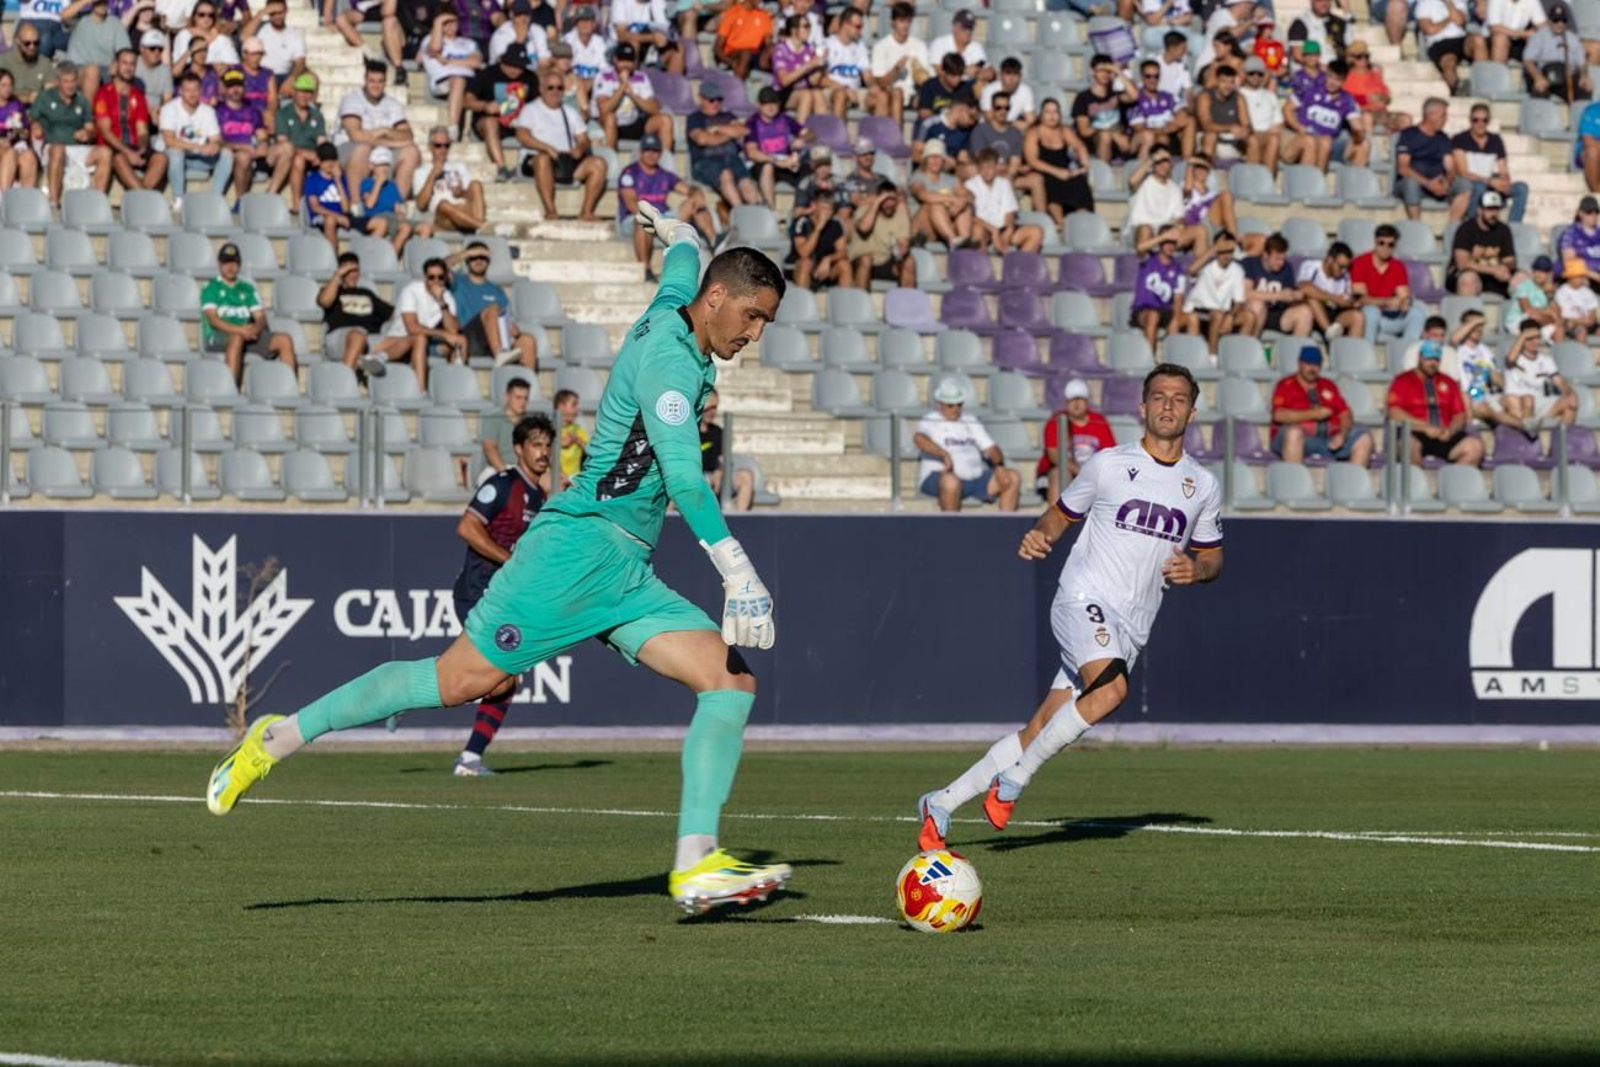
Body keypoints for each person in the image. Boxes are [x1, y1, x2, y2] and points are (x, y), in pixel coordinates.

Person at [206, 211, 794, 918]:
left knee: (730, 680)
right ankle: (277, 736)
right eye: (753, 316)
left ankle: (696, 864)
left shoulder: (679, 303)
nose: (755, 333)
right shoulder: (670, 361)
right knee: (456, 681)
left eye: (766, 322)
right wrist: (737, 570)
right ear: (718, 298)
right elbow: (687, 481)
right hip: (575, 552)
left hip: (627, 571)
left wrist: (679, 232)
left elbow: (682, 262)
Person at [916, 363, 1222, 851]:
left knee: (1039, 728)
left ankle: (940, 803)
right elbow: (1060, 514)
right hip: (1083, 599)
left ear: (1192, 411)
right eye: (1159, 397)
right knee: (1112, 691)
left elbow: (1212, 556)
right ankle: (1014, 782)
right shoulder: (1109, 464)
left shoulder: (1201, 484)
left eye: (1179, 398)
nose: (1168, 405)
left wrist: (1198, 569)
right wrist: (1041, 534)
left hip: (1131, 627)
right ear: (1142, 407)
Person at [436, 413, 554, 775]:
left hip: (504, 600)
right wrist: (510, 561)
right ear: (518, 449)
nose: (543, 452)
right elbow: (467, 527)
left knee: (502, 678)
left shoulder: (540, 495)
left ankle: (468, 756)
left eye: (547, 445)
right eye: (535, 444)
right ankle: (468, 757)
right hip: (478, 594)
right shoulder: (503, 485)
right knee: (501, 676)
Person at [914, 376, 1021, 512]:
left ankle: (1006, 522)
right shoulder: (930, 420)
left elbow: (991, 447)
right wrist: (944, 454)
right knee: (950, 482)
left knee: (1012, 477)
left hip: (975, 477)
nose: (955, 409)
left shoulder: (970, 420)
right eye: (950, 405)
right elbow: (919, 439)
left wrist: (999, 466)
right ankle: (951, 524)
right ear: (940, 404)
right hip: (940, 476)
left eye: (959, 404)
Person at [618, 133, 714, 281]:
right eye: (647, 150)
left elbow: (687, 189)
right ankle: (646, 269)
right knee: (642, 221)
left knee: (693, 203)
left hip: (662, 217)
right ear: (641, 152)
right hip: (635, 219)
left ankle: (715, 242)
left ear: (660, 153)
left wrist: (696, 193)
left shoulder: (664, 174)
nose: (651, 154)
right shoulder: (630, 173)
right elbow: (631, 204)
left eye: (655, 150)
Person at [514, 72, 606, 221]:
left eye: (559, 88)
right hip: (537, 159)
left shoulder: (570, 112)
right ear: (541, 89)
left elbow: (584, 139)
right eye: (550, 87)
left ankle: (586, 212)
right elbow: (522, 135)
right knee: (543, 159)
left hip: (565, 160)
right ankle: (550, 211)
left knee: (599, 163)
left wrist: (580, 148)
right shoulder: (530, 109)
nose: (555, 91)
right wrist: (546, 148)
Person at [201, 241, 296, 384]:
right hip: (218, 335)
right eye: (226, 263)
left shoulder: (247, 288)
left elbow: (260, 317)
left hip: (247, 334)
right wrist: (240, 330)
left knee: (284, 340)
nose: (230, 267)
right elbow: (213, 320)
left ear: (239, 264)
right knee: (236, 338)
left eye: (234, 263)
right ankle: (231, 388)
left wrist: (255, 329)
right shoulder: (211, 288)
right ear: (219, 264)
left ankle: (289, 386)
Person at [335, 61, 420, 207]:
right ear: (365, 80)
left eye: (380, 81)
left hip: (381, 151)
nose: (376, 86)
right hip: (349, 149)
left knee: (411, 151)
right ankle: (357, 204)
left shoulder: (392, 103)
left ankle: (396, 204)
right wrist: (391, 141)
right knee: (362, 148)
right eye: (372, 81)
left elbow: (407, 135)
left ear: (385, 82)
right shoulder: (352, 100)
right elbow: (356, 135)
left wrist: (385, 130)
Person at [1270, 346, 1374, 466]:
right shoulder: (1285, 385)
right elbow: (1278, 415)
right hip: (1298, 438)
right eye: (1308, 364)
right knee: (1294, 433)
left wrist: (1342, 435)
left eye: (1316, 365)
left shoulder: (1328, 385)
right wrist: (1314, 414)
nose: (1312, 369)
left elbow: (1345, 414)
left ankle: (1354, 477)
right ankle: (1294, 476)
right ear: (1299, 364)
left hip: (1328, 439)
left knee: (1363, 437)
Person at [1387, 341, 1484, 466]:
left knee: (1475, 447)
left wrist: (1451, 431)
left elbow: (1459, 415)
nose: (1432, 363)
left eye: (1436, 359)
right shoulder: (1402, 381)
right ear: (1420, 358)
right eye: (1428, 359)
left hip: (1444, 434)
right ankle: (1417, 478)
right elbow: (1394, 413)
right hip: (1416, 432)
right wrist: (1425, 427)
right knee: (1408, 445)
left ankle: (1451, 478)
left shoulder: (1449, 382)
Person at [33, 60, 113, 206]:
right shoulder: (45, 97)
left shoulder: (82, 100)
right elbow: (32, 119)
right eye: (66, 81)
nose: (70, 85)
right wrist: (36, 127)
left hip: (77, 147)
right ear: (58, 82)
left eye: (73, 81)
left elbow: (91, 128)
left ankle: (97, 202)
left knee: (105, 152)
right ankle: (53, 200)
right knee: (58, 149)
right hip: (53, 146)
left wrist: (87, 133)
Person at [318, 251, 406, 379]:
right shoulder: (334, 291)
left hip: (368, 339)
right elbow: (325, 301)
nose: (353, 274)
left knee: (408, 340)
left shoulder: (366, 293)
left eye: (356, 270)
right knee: (358, 334)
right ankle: (344, 383)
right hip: (340, 338)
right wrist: (337, 276)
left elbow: (393, 313)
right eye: (349, 271)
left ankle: (366, 361)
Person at [452, 240, 538, 369]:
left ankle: (525, 379)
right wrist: (465, 253)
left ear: (489, 261)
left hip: (494, 339)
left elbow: (506, 317)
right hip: (468, 338)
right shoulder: (457, 282)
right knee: (492, 310)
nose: (478, 260)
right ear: (467, 260)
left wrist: (512, 328)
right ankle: (499, 355)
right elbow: (436, 268)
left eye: (483, 257)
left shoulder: (497, 291)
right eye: (474, 257)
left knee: (528, 340)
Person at [91, 46, 166, 191]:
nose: (128, 68)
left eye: (132, 64)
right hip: (113, 147)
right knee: (119, 159)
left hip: (134, 146)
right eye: (124, 63)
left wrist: (142, 147)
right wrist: (128, 152)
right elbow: (105, 131)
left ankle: (140, 195)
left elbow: (142, 130)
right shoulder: (103, 93)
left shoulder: (138, 95)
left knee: (161, 158)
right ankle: (144, 197)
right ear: (116, 65)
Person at [466, 44, 540, 182]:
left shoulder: (530, 78)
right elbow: (466, 100)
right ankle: (501, 168)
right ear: (503, 61)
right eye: (512, 65)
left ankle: (531, 166)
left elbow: (538, 104)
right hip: (491, 123)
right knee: (489, 123)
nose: (515, 70)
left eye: (519, 67)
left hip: (520, 124)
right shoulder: (487, 74)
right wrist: (485, 106)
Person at [217, 67, 292, 202]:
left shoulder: (252, 110)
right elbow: (215, 141)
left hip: (254, 152)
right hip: (233, 153)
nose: (235, 90)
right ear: (225, 89)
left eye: (239, 86)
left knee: (287, 147)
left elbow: (261, 134)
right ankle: (240, 201)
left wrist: (263, 143)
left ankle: (270, 194)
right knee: (243, 156)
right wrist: (241, 146)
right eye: (231, 86)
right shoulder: (217, 110)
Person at [1038, 377, 1116, 502]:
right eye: (1072, 400)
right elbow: (1054, 455)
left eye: (1080, 399)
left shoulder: (1099, 421)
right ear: (1066, 402)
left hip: (1091, 472)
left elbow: (1109, 453)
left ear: (1087, 401)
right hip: (1061, 470)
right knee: (1060, 475)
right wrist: (1079, 471)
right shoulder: (1056, 421)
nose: (1076, 404)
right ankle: (1056, 513)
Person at [686, 80, 759, 211]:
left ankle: (757, 213)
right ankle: (740, 212)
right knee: (726, 175)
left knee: (746, 182)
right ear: (701, 99)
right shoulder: (694, 119)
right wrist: (729, 133)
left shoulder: (728, 115)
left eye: (719, 99)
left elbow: (744, 130)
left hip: (732, 159)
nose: (716, 103)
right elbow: (702, 139)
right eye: (711, 100)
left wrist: (717, 129)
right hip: (706, 162)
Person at [1282, 58, 1365, 171]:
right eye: (1330, 77)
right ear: (1326, 75)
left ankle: (1349, 179)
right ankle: (1311, 177)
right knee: (1312, 141)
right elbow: (1287, 109)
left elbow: (1357, 126)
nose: (1332, 82)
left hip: (1329, 143)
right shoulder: (1310, 89)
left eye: (1337, 79)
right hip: (1303, 136)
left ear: (1343, 81)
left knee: (1363, 144)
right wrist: (1297, 127)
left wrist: (1358, 134)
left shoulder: (1347, 99)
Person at [1351, 224, 1425, 349]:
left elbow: (1403, 295)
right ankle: (1367, 351)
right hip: (1369, 315)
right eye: (1381, 243)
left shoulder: (1398, 266)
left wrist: (1404, 303)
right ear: (1375, 242)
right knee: (1371, 312)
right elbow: (1360, 299)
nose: (1385, 247)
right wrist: (1386, 301)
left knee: (1416, 315)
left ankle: (1406, 353)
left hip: (1389, 315)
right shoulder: (1360, 263)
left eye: (1390, 245)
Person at [1451, 105, 1529, 223]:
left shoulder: (1495, 140)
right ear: (1470, 120)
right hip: (1472, 183)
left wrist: (1504, 182)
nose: (1480, 124)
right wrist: (1489, 181)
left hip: (1490, 182)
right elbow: (1464, 172)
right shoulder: (1460, 139)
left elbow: (1503, 169)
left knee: (1521, 188)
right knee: (1479, 187)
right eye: (1476, 120)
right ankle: (1473, 222)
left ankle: (1514, 225)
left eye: (1484, 120)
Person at [970, 89, 1043, 213]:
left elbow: (1015, 162)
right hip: (987, 174)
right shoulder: (980, 130)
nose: (1002, 111)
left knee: (1036, 179)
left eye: (1006, 107)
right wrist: (1006, 169)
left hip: (1007, 175)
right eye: (998, 107)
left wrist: (1009, 175)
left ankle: (1042, 217)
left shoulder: (1015, 133)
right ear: (992, 109)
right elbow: (983, 161)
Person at [1395, 99, 1469, 221]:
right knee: (1410, 184)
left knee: (1464, 185)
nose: (1446, 119)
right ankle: (1416, 224)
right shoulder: (1408, 135)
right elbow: (1403, 168)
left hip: (1438, 183)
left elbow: (1450, 167)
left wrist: (1446, 182)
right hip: (1416, 182)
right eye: (1443, 115)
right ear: (1431, 115)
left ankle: (1452, 225)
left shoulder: (1443, 138)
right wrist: (1428, 184)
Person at [160, 69, 231, 197]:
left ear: (201, 91)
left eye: (195, 90)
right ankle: (178, 199)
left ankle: (216, 197)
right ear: (180, 91)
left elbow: (216, 138)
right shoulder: (169, 109)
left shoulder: (208, 111)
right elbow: (169, 141)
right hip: (175, 159)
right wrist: (199, 147)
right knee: (176, 153)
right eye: (187, 90)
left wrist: (215, 145)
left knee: (227, 154)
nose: (192, 94)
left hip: (200, 158)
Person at [1023, 97, 1093, 223]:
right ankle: (1060, 222)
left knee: (1079, 182)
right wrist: (1056, 172)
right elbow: (1032, 160)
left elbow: (1080, 147)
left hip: (1064, 170)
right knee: (1050, 182)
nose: (1052, 116)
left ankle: (1083, 219)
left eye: (1055, 112)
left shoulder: (1064, 130)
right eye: (1048, 112)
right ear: (1041, 114)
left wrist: (1084, 166)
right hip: (1044, 171)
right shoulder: (1033, 133)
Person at [1453, 310, 1525, 431]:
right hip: (1466, 398)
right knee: (1485, 408)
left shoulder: (1484, 350)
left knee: (1512, 400)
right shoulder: (1456, 347)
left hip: (1484, 395)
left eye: (1481, 325)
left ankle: (1516, 432)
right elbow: (1455, 338)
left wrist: (1512, 388)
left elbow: (1496, 377)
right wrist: (1479, 320)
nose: (1478, 328)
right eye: (1474, 324)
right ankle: (1523, 425)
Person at [964, 148, 1041, 254]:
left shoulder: (1004, 183)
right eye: (983, 168)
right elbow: (971, 216)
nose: (987, 171)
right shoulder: (970, 185)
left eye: (990, 167)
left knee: (1036, 232)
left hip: (1002, 227)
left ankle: (1018, 262)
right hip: (985, 228)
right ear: (978, 168)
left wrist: (1009, 228)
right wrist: (993, 231)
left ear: (996, 167)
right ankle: (983, 262)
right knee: (977, 230)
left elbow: (1009, 211)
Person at [1503, 323, 1578, 430]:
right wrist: (1523, 335)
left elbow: (1559, 381)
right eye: (1529, 338)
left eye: (1537, 338)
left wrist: (1570, 394)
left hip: (1539, 402)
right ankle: (1527, 436)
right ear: (1521, 339)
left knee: (1571, 402)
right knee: (1528, 399)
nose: (1534, 342)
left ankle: (1562, 438)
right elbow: (1510, 359)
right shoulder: (1514, 356)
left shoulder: (1546, 360)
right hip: (1518, 403)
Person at [418, 11, 482, 133]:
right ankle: (453, 128)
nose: (450, 26)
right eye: (445, 23)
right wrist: (438, 22)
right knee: (458, 80)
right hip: (443, 82)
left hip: (470, 81)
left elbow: (476, 62)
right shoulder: (429, 40)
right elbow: (434, 49)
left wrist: (448, 61)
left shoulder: (468, 43)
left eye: (453, 22)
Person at [744, 85, 807, 208]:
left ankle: (801, 209)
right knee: (767, 168)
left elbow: (808, 133)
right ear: (759, 105)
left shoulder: (785, 119)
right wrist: (776, 162)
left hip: (785, 162)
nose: (771, 107)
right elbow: (752, 153)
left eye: (774, 103)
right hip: (762, 163)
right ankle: (771, 210)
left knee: (808, 168)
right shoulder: (752, 123)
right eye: (766, 103)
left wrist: (802, 140)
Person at [1131, 226, 1196, 348]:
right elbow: (1139, 248)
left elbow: (1178, 297)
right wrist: (1164, 236)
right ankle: (1150, 357)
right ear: (1160, 242)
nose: (1170, 246)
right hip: (1143, 310)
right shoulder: (1148, 259)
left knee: (1192, 318)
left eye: (1173, 242)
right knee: (1153, 315)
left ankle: (1187, 356)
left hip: (1165, 311)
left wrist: (1175, 319)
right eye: (1167, 242)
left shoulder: (1178, 268)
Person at [1239, 232, 1312, 337]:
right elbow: (1246, 293)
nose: (1280, 263)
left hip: (1276, 312)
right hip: (1252, 312)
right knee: (1257, 305)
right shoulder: (1249, 264)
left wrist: (1294, 296)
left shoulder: (1286, 268)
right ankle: (1252, 344)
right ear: (1265, 255)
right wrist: (1278, 295)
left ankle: (1296, 346)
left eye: (1283, 259)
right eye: (1277, 259)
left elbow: (1288, 296)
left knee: (1305, 312)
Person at [1183, 232, 1246, 352]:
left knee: (1249, 317)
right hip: (1199, 308)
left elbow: (1239, 301)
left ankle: (1240, 353)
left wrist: (1230, 316)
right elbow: (1191, 270)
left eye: (1229, 251)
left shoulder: (1237, 270)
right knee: (1217, 315)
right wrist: (1214, 248)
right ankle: (1213, 356)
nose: (1226, 255)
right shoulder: (1206, 264)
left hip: (1222, 312)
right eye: (1222, 251)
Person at [1127, 148, 1198, 251]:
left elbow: (1178, 217)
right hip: (1140, 229)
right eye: (1158, 161)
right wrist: (1153, 158)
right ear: (1153, 165)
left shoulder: (1175, 189)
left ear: (1171, 165)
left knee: (1198, 231)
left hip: (1165, 231)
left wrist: (1179, 226)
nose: (1162, 165)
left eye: (1165, 161)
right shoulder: (1143, 181)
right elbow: (1131, 181)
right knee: (1146, 229)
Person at [1447, 191, 1516, 297]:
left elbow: (1509, 259)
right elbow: (1462, 263)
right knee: (1468, 281)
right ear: (1479, 210)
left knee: (1522, 280)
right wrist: (1493, 270)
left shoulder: (1503, 230)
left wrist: (1506, 267)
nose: (1494, 214)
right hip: (1469, 274)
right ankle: (1467, 308)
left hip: (1495, 278)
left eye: (1496, 209)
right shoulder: (1465, 229)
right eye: (1489, 209)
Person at [849, 179, 915, 288]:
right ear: (877, 199)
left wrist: (902, 249)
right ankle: (860, 297)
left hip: (884, 260)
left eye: (892, 199)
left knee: (909, 261)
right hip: (860, 261)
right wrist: (876, 203)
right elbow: (864, 228)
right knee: (866, 260)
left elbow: (903, 241)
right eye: (885, 199)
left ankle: (906, 297)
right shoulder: (864, 210)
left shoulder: (899, 216)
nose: (889, 204)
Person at [1128, 57, 1195, 162]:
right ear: (1142, 77)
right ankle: (1142, 167)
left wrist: (1177, 120)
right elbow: (1139, 129)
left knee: (1190, 120)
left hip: (1167, 131)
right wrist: (1164, 130)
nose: (1152, 80)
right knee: (1158, 137)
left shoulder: (1167, 96)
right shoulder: (1136, 99)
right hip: (1145, 138)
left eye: (1156, 76)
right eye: (1148, 76)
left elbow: (1183, 112)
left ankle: (1187, 162)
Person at [1072, 52, 1134, 162]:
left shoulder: (1115, 94)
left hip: (1118, 142)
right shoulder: (1083, 98)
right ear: (1092, 72)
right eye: (1101, 70)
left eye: (1108, 71)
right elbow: (1084, 130)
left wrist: (1118, 72)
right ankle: (1103, 168)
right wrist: (1109, 131)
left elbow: (1134, 96)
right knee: (1105, 135)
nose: (1105, 74)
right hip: (1095, 143)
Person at [822, 6, 881, 119]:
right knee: (841, 96)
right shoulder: (827, 44)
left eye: (862, 26)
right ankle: (838, 130)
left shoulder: (860, 46)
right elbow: (821, 79)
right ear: (845, 24)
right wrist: (844, 89)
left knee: (880, 97)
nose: (861, 30)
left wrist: (873, 86)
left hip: (855, 90)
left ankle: (878, 130)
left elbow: (867, 75)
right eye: (858, 26)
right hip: (832, 89)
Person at [1297, 241, 1364, 341]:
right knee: (1311, 297)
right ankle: (1329, 332)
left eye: (1346, 267)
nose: (1343, 270)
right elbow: (1305, 288)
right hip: (1313, 313)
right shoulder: (1311, 266)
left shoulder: (1345, 276)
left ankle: (1351, 348)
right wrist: (1334, 298)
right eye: (1341, 266)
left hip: (1334, 313)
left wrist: (1350, 302)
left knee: (1358, 317)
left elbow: (1345, 297)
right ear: (1330, 259)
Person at [699, 390, 754, 511]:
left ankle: (740, 518)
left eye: (715, 407)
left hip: (716, 477)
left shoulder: (718, 432)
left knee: (746, 476)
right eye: (709, 407)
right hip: (695, 477)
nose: (712, 412)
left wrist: (719, 471)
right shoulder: (689, 432)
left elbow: (722, 459)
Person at [1524, 4, 1592, 101]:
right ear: (1549, 22)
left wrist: (1584, 76)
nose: (1560, 24)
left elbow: (1582, 63)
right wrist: (1538, 77)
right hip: (1545, 78)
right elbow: (1528, 60)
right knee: (1539, 89)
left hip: (1566, 78)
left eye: (1563, 20)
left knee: (1585, 88)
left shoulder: (1573, 38)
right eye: (1555, 20)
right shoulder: (1539, 36)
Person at [67, 0, 131, 100]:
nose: (102, 5)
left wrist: (117, 62)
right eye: (98, 2)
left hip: (106, 69)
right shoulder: (81, 18)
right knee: (92, 70)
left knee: (126, 70)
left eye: (104, 2)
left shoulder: (114, 23)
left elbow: (125, 51)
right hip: (77, 67)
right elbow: (64, 16)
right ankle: (88, 110)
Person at [786, 185, 848, 290]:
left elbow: (843, 252)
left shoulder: (835, 224)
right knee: (806, 263)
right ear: (814, 206)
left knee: (844, 264)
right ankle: (802, 298)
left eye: (830, 209)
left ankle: (846, 299)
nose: (827, 212)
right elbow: (804, 253)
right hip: (798, 267)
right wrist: (818, 228)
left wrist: (828, 259)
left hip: (823, 268)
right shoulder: (802, 222)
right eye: (824, 208)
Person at [770, 12, 827, 124]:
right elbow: (784, 81)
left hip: (802, 89)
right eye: (805, 26)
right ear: (794, 30)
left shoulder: (809, 49)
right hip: (782, 92)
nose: (809, 30)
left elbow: (813, 81)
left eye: (809, 26)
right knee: (806, 95)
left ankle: (822, 130)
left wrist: (821, 65)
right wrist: (809, 65)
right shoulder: (781, 49)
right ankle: (800, 129)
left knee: (817, 93)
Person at [480, 377, 532, 479]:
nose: (522, 402)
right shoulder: (492, 419)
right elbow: (489, 448)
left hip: (523, 470)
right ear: (507, 396)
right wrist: (506, 473)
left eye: (525, 398)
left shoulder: (530, 423)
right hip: (496, 469)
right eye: (518, 397)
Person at [248, 0, 308, 83]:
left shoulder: (295, 34)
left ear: (286, 11)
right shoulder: (261, 29)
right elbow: (244, 37)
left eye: (280, 13)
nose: (277, 16)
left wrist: (291, 80)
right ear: (268, 14)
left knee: (312, 78)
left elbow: (300, 62)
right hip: (262, 74)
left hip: (285, 76)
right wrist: (261, 13)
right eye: (273, 13)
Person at [0, 71, 40, 192]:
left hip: (16, 142)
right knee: (10, 153)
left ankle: (26, 199)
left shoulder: (16, 104)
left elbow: (25, 130)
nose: (7, 89)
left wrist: (18, 134)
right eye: (3, 85)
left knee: (29, 156)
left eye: (10, 85)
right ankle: (3, 197)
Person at [1505, 255, 1562, 339]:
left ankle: (1559, 347)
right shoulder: (1524, 285)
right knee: (1534, 317)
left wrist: (1550, 295)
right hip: (1516, 322)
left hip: (1536, 322)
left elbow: (1556, 315)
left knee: (1558, 329)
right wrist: (1549, 313)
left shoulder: (1548, 291)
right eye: (1536, 270)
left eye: (1543, 271)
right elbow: (1527, 310)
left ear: (1549, 274)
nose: (1538, 274)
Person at [929, 8, 991, 83]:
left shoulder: (976, 47)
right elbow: (939, 70)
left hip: (969, 86)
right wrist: (964, 70)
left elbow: (990, 72)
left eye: (971, 28)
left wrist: (977, 73)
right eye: (964, 28)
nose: (968, 32)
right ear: (954, 28)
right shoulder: (940, 43)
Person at [714, 0, 770, 80]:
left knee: (774, 48)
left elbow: (768, 42)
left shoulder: (763, 15)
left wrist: (768, 52)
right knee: (745, 53)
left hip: (754, 54)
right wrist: (731, 62)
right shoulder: (733, 13)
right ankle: (737, 83)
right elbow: (717, 47)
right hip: (733, 53)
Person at [0, 25, 53, 105]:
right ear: (17, 41)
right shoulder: (4, 62)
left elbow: (51, 89)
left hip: (36, 108)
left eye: (36, 43)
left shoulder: (44, 63)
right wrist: (24, 98)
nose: (32, 47)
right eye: (27, 43)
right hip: (9, 107)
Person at [1556, 259, 1600, 341]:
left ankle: (1581, 349)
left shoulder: (1589, 293)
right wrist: (1575, 321)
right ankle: (1560, 349)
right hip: (1567, 324)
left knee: (1581, 329)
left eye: (1581, 276)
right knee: (1560, 330)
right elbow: (1560, 316)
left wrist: (1577, 321)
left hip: (1584, 325)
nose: (1580, 279)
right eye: (1577, 276)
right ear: (1570, 277)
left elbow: (1592, 318)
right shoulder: (1561, 292)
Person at [554, 387, 588, 486]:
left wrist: (578, 440)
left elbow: (591, 452)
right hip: (553, 479)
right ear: (561, 406)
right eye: (574, 405)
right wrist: (559, 443)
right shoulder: (550, 429)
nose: (577, 409)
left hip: (573, 480)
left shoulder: (578, 430)